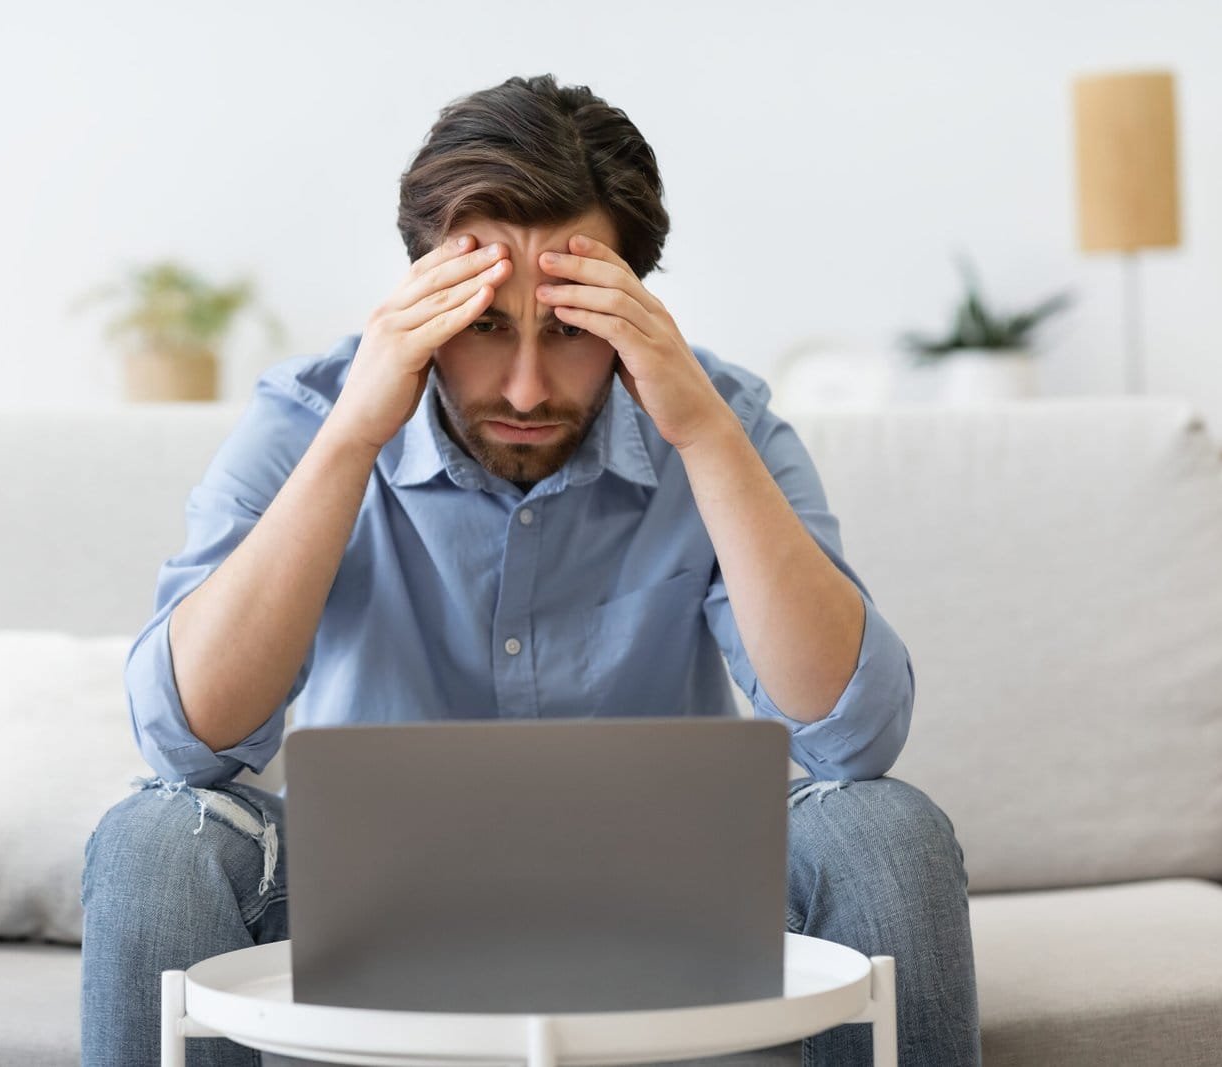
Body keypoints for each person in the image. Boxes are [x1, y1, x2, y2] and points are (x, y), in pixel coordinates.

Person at [81, 73, 981, 1067]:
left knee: (887, 828)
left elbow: (853, 735)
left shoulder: (715, 415)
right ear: (420, 296)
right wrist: (351, 439)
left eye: (567, 330)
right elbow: (184, 740)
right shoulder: (310, 415)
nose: (523, 387)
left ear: (630, 302)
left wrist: (703, 437)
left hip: (674, 888)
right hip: (363, 897)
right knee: (152, 839)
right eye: (481, 327)